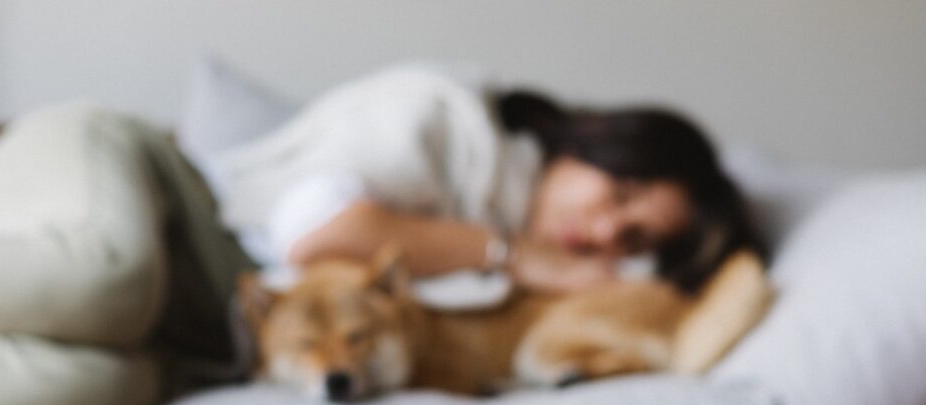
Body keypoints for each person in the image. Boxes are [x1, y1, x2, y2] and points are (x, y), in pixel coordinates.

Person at [213, 65, 763, 296]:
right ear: (591, 143)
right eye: (619, 193)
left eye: (633, 238)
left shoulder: (506, 237)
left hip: (212, 307)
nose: (603, 233)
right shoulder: (452, 122)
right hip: (177, 205)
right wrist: (511, 254)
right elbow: (314, 235)